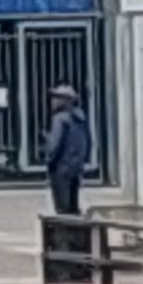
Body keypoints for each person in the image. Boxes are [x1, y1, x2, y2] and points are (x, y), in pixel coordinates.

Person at [44, 83, 93, 218]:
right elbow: (87, 142)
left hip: (61, 168)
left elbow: (55, 145)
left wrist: (49, 158)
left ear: (65, 101)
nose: (53, 100)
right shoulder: (80, 118)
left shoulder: (59, 119)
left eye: (56, 97)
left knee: (62, 209)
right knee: (73, 207)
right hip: (75, 168)